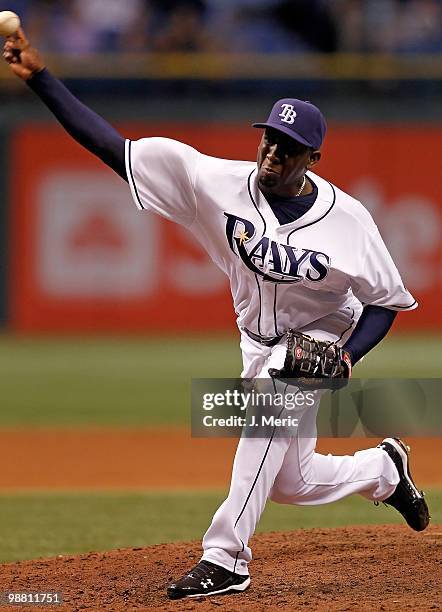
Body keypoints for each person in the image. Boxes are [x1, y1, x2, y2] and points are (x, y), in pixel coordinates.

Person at [3, 28, 430, 601]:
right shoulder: (213, 183)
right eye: (269, 140)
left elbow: (385, 301)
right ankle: (384, 469)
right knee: (291, 482)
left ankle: (225, 557)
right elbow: (113, 149)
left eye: (288, 147)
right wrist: (38, 77)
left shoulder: (348, 220)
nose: (273, 153)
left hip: (323, 334)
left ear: (313, 158)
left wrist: (347, 356)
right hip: (258, 339)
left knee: (275, 395)